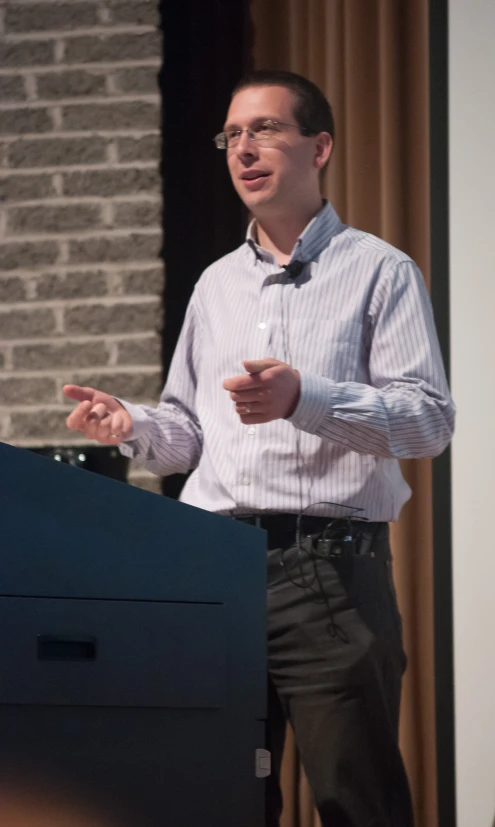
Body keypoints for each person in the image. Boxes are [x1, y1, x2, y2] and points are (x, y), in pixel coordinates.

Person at [64, 70, 455, 827]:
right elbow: (186, 433)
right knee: (218, 795)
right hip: (215, 569)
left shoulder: (380, 272)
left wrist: (303, 398)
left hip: (330, 574)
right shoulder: (215, 286)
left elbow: (426, 422)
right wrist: (133, 425)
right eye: (232, 135)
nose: (244, 148)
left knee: (356, 800)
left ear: (320, 147)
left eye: (265, 129)